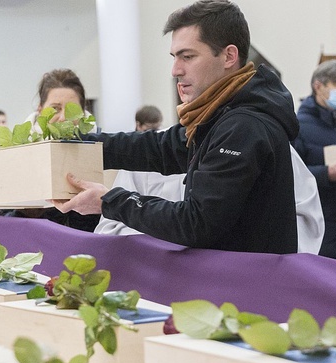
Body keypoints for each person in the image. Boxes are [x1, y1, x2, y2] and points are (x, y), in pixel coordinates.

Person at [54, 0, 299, 254]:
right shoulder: (216, 118)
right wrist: (79, 143)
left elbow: (196, 223)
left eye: (188, 56)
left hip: (245, 285)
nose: (175, 70)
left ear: (228, 56)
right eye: (174, 57)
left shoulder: (244, 127)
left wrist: (109, 201)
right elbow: (157, 148)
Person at [5, 68, 101, 233]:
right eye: (55, 108)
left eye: (72, 109)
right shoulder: (18, 152)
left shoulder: (103, 150)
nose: (63, 117)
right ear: (40, 109)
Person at [294, 60, 336, 260]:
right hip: (324, 224)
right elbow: (292, 176)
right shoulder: (299, 127)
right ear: (319, 86)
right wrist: (327, 174)